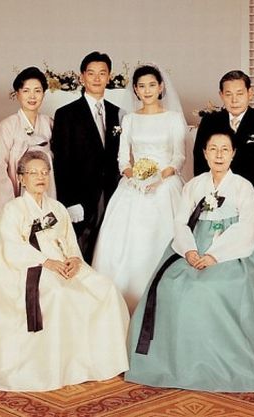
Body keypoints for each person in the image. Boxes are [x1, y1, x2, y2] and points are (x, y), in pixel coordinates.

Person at [125, 128, 254, 392]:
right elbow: (180, 222)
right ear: (204, 153)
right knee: (171, 285)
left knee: (208, 288)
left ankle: (217, 359)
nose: (219, 155)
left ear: (233, 154)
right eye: (213, 149)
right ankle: (180, 358)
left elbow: (247, 228)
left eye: (225, 149)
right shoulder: (194, 186)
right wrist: (190, 251)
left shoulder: (242, 186)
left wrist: (215, 255)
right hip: (194, 246)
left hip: (233, 252)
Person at [0, 151, 129, 392]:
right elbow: (13, 247)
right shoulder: (13, 209)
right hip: (27, 268)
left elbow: (70, 241)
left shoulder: (57, 207)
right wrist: (46, 262)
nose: (40, 177)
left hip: (62, 263)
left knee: (105, 289)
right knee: (57, 294)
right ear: (21, 178)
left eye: (44, 172)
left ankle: (100, 361)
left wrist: (74, 260)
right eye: (33, 173)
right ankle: (57, 367)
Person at [92, 64, 186, 311]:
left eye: (152, 85)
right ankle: (124, 301)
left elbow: (179, 157)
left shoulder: (173, 118)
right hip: (133, 185)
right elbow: (123, 159)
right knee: (125, 244)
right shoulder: (130, 119)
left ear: (161, 87)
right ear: (135, 89)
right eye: (142, 86)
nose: (147, 90)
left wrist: (158, 178)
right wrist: (134, 177)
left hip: (165, 184)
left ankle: (165, 298)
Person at [51, 51, 121, 262]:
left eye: (102, 73)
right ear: (82, 77)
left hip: (113, 194)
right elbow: (61, 162)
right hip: (81, 197)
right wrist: (69, 202)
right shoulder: (66, 114)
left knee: (107, 252)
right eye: (91, 73)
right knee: (79, 252)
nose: (97, 78)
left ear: (109, 77)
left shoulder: (118, 113)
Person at [193, 70, 254, 212]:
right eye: (228, 94)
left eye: (239, 94)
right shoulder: (209, 122)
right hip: (214, 200)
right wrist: (210, 198)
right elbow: (199, 162)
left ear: (250, 93)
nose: (234, 100)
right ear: (221, 95)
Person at [0, 66, 54, 214]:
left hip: (46, 192)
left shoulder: (49, 123)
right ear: (17, 94)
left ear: (44, 94)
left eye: (37, 91)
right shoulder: (7, 126)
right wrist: (9, 200)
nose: (32, 96)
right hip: (16, 193)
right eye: (26, 91)